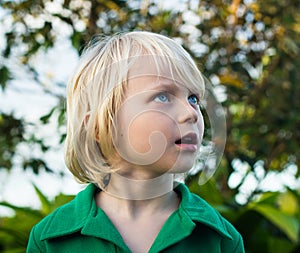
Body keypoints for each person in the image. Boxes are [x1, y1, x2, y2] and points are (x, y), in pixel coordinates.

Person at [27, 31, 245, 253]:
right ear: (101, 126)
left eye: (193, 99)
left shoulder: (221, 239)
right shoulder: (49, 240)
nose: (191, 113)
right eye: (163, 96)